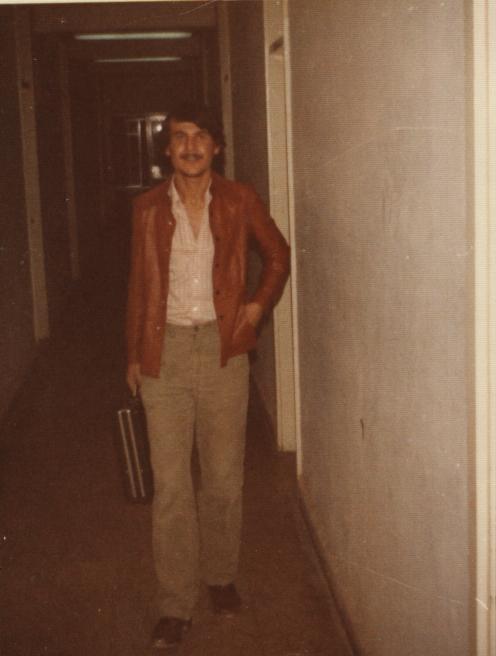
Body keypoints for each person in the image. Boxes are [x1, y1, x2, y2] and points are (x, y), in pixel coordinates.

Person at [125, 103, 290, 650]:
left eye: (200, 137)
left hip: (224, 352)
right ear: (167, 149)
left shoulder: (240, 199)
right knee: (172, 485)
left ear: (216, 146)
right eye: (180, 137)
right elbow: (138, 285)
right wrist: (134, 354)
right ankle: (176, 604)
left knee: (222, 477)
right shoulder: (148, 208)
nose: (190, 146)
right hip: (165, 352)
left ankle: (220, 577)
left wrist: (256, 309)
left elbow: (278, 255)